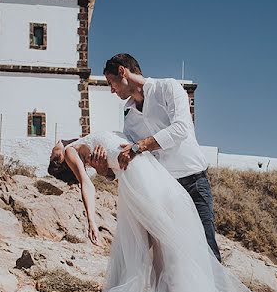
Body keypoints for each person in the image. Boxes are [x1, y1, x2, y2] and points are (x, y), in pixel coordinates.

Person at [0, 131, 265, 292]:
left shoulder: (84, 143)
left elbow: (108, 171)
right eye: (54, 154)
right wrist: (91, 220)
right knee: (168, 249)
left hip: (147, 179)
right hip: (144, 183)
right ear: (62, 160)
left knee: (170, 251)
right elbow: (88, 183)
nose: (54, 147)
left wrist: (104, 170)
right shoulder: (72, 151)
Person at [93, 53, 223, 262]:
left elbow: (181, 129)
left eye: (111, 83)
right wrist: (104, 171)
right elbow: (131, 161)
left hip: (193, 183)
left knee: (206, 249)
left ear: (122, 72)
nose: (111, 90)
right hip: (163, 190)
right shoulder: (129, 117)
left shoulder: (168, 88)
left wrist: (139, 146)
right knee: (174, 258)